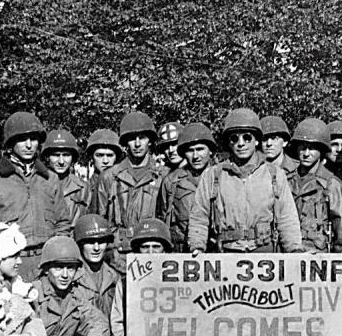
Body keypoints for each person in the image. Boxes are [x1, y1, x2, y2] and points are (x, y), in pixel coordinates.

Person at [0, 112, 70, 281]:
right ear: (10, 143)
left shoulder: (50, 179)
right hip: (7, 264)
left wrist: (56, 259)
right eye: (22, 139)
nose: (29, 145)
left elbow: (63, 223)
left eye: (33, 139)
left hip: (45, 263)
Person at [188, 108, 303, 254]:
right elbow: (199, 216)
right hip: (226, 252)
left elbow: (287, 218)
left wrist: (294, 250)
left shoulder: (274, 174)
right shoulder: (213, 175)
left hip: (264, 252)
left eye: (247, 137)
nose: (240, 143)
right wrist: (197, 247)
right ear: (229, 143)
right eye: (234, 138)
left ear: (256, 141)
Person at [33, 237, 122, 336]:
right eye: (59, 267)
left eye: (71, 268)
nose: (65, 275)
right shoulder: (33, 294)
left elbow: (97, 319)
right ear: (46, 269)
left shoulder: (74, 294)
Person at [91, 111, 165, 272]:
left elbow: (167, 220)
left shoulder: (162, 176)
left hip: (153, 255)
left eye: (143, 138)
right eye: (132, 138)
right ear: (125, 142)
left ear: (150, 141)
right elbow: (99, 220)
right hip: (117, 256)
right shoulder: (109, 176)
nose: (137, 144)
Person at [286, 118, 342, 253]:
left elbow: (340, 229)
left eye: (312, 148)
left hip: (319, 257)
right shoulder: (286, 181)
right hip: (288, 255)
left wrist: (339, 261)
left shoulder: (331, 184)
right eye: (302, 147)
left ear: (321, 150)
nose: (306, 153)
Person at [157, 122, 216, 252]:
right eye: (190, 151)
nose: (195, 156)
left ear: (210, 150)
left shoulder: (222, 176)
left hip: (216, 250)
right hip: (181, 251)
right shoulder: (171, 181)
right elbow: (162, 217)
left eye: (200, 149)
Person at [42, 128, 87, 223]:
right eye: (56, 155)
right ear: (47, 157)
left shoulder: (82, 188)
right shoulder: (38, 184)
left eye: (66, 155)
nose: (61, 161)